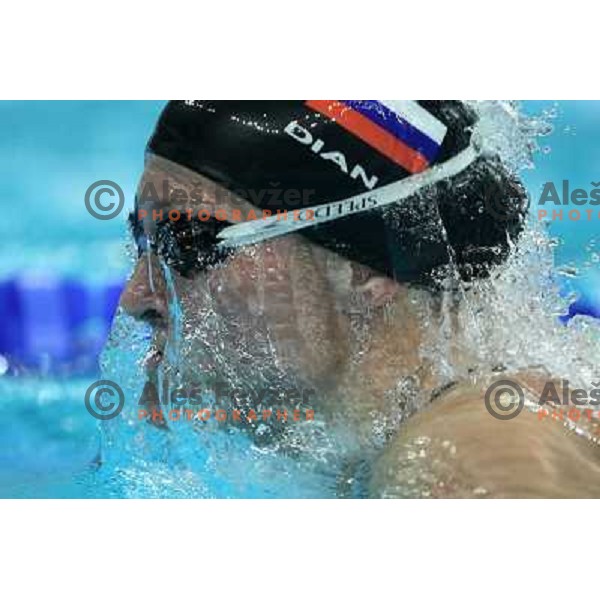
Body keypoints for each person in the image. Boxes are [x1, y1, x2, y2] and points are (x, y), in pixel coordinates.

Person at [120, 100, 600, 498]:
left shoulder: (463, 448)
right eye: (143, 243)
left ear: (366, 271)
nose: (135, 298)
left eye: (187, 243)